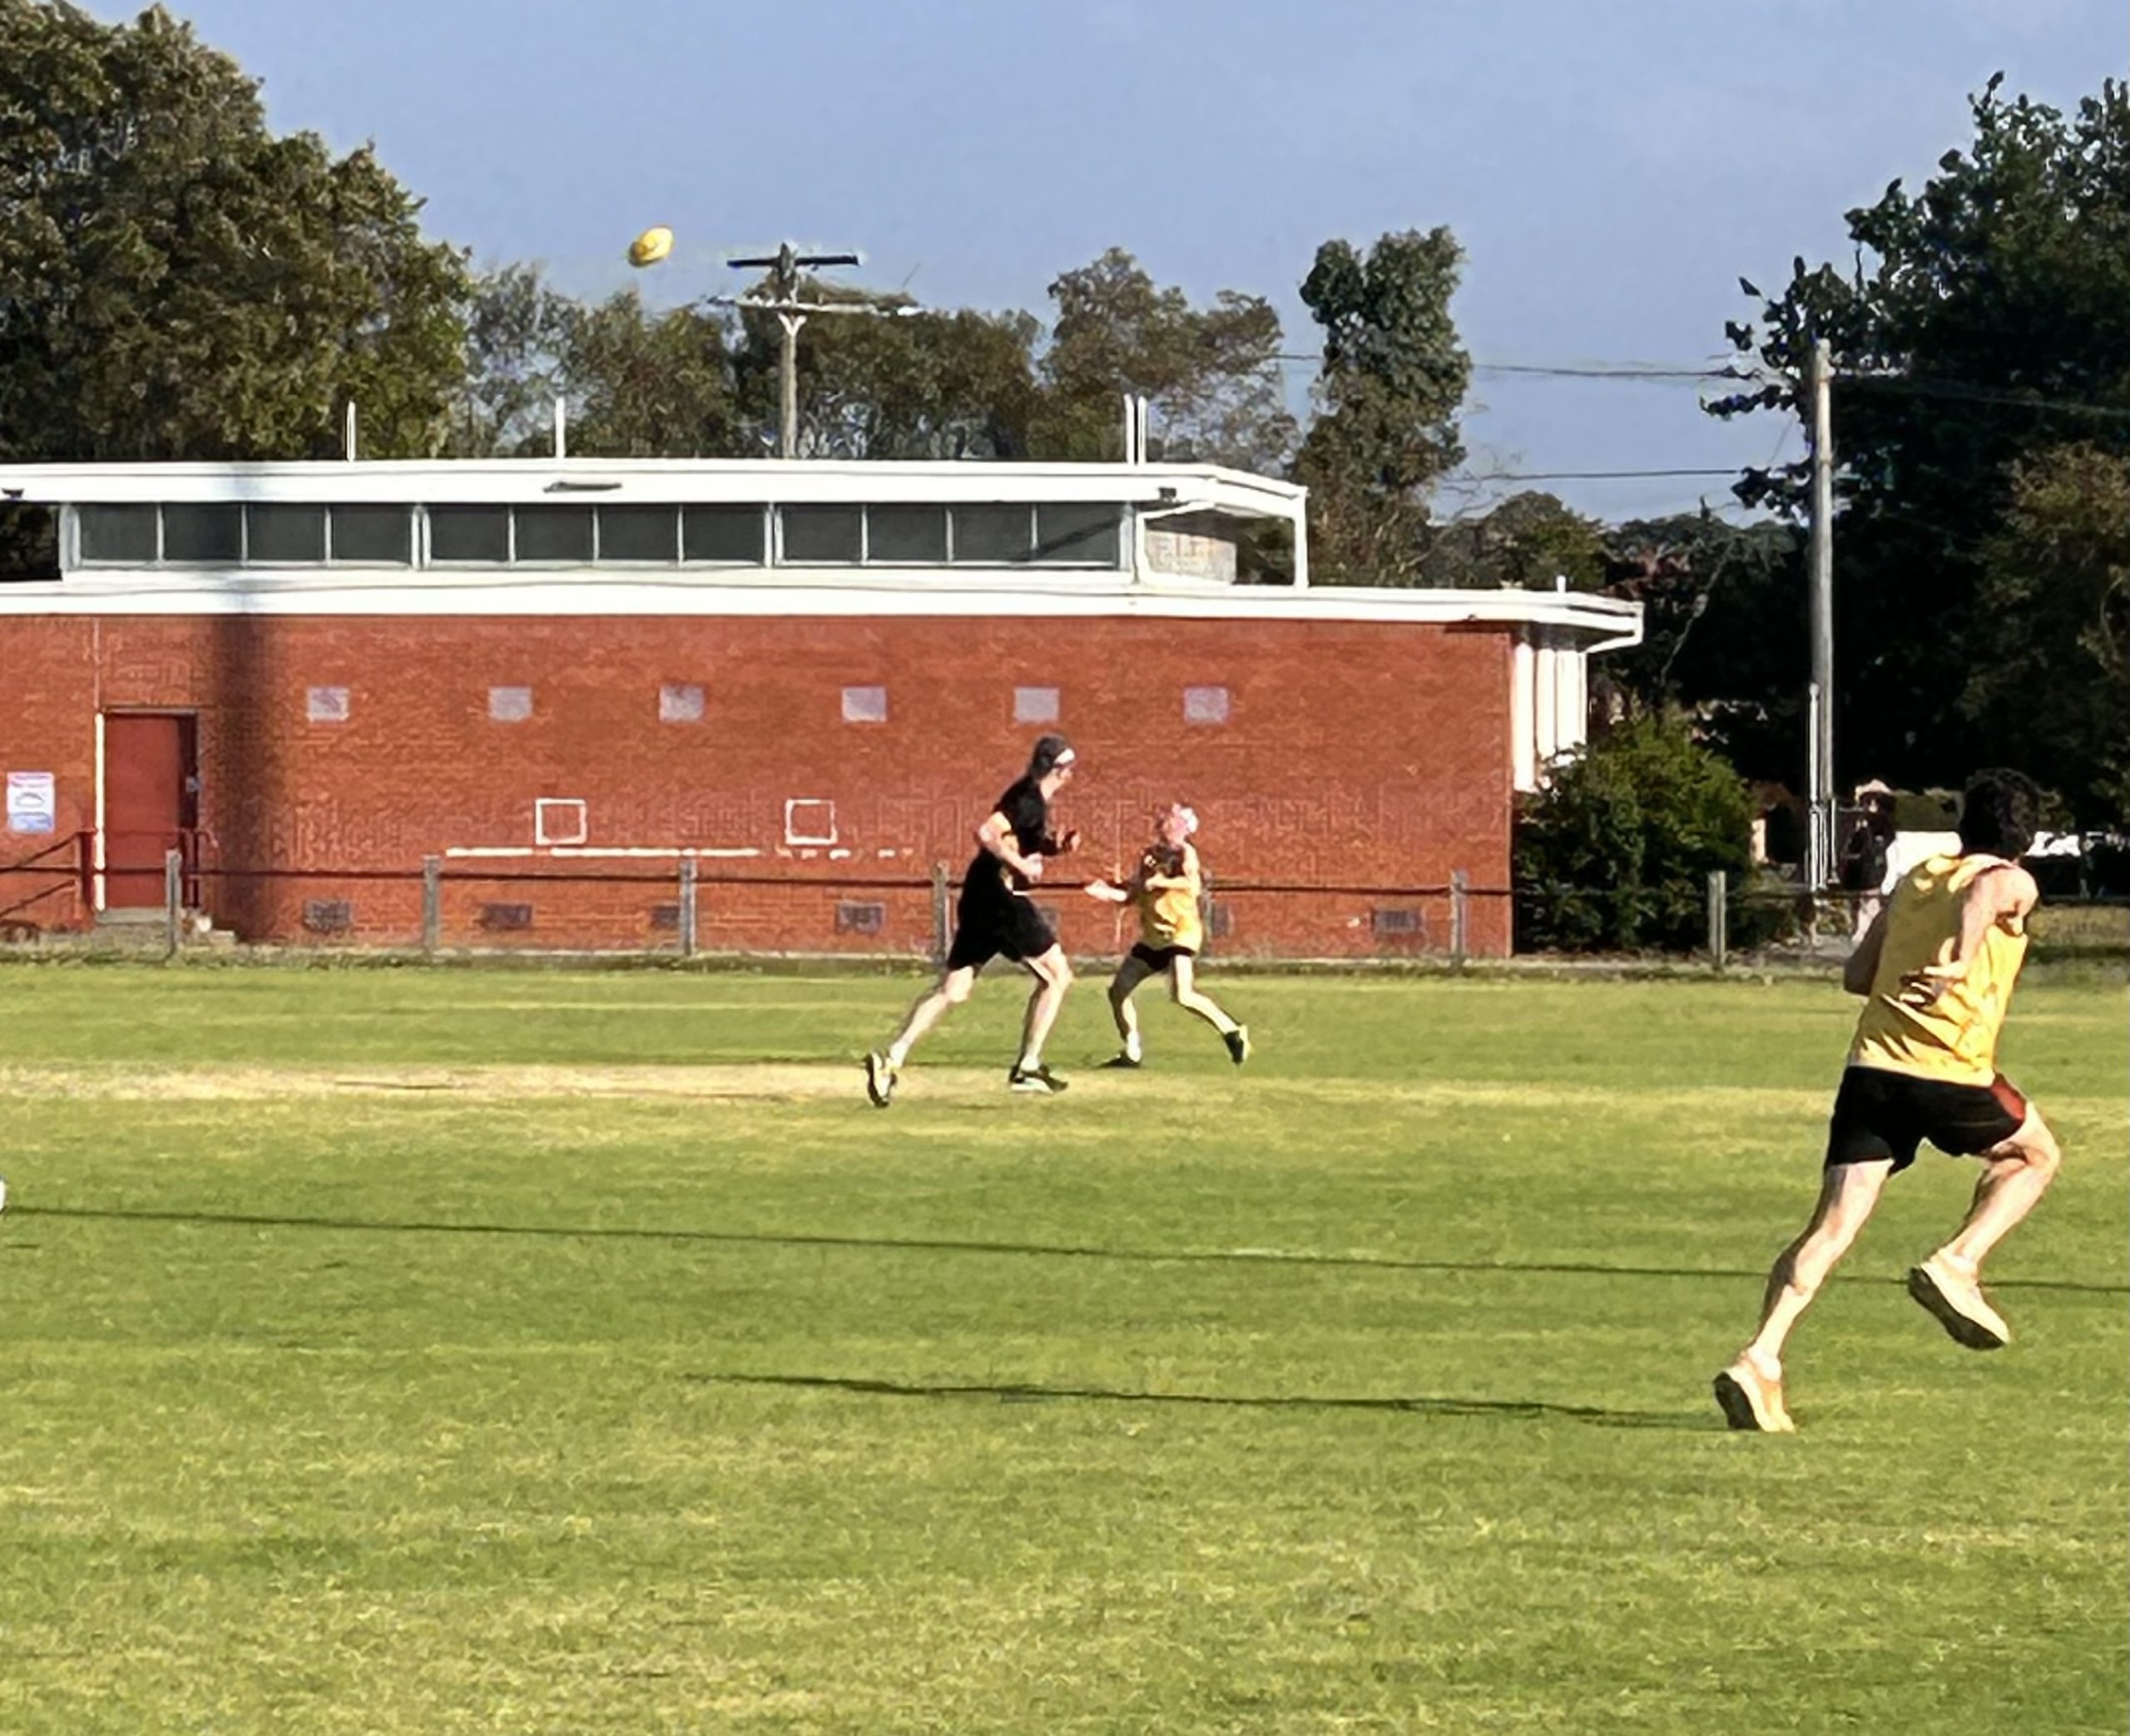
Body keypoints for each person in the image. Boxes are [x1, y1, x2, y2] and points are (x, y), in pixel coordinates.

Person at [1714, 768, 2062, 1433]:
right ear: (2026, 837)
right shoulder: (2010, 879)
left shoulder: (1918, 879)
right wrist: (1961, 958)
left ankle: (1759, 1359)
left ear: (1963, 822)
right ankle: (1958, 1261)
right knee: (2037, 1155)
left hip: (1872, 1071)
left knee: (1831, 1227)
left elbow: (1857, 975)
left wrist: (1922, 955)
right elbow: (1992, 889)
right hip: (1950, 1072)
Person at [865, 735, 1082, 1105]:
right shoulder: (1028, 799)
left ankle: (891, 1058)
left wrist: (1053, 847)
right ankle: (1027, 1068)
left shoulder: (1030, 800)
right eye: (1068, 767)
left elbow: (1017, 837)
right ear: (1057, 769)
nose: (1072, 774)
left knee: (953, 990)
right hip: (1000, 901)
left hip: (979, 898)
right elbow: (987, 834)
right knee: (1058, 975)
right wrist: (1022, 864)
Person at [1084, 803, 1248, 1069]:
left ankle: (1232, 1030)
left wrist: (1161, 882)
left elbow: (1192, 885)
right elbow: (1132, 895)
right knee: (1118, 991)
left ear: (1183, 827)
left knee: (1182, 994)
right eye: (1164, 819)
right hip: (1153, 937)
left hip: (1180, 933)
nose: (1163, 823)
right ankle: (1132, 1051)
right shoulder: (1148, 856)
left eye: (1171, 820)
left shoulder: (1185, 853)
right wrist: (1107, 893)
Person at [1839, 780, 1898, 941]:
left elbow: (1885, 841)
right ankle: (1859, 927)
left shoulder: (1883, 823)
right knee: (1858, 898)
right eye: (1868, 801)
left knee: (1871, 897)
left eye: (1875, 801)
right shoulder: (1857, 821)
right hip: (1858, 865)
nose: (1871, 805)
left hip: (1874, 864)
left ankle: (1867, 929)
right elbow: (1852, 844)